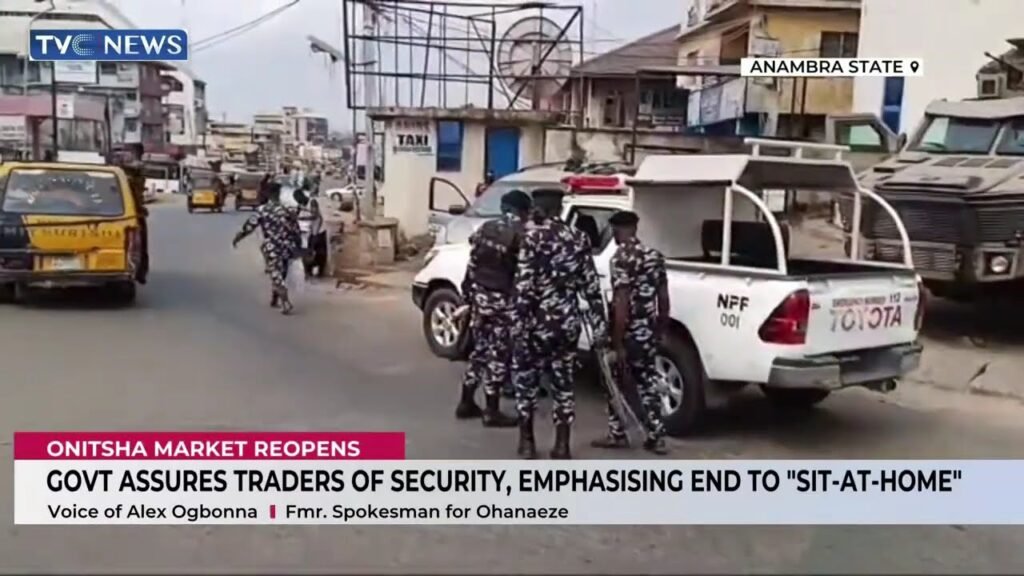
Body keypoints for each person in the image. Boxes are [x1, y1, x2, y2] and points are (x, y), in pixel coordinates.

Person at [511, 188, 607, 459]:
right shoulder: (579, 238)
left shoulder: (532, 238)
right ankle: (562, 445)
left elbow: (524, 286)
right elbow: (591, 286)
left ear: (539, 209)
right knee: (563, 383)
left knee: (526, 382)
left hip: (535, 323)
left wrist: (517, 325)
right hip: (566, 323)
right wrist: (599, 325)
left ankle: (527, 442)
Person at [592, 210, 671, 455]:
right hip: (648, 331)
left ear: (617, 231)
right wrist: (661, 328)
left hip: (628, 332)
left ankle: (617, 434)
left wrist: (617, 342)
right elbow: (663, 297)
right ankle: (657, 436)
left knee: (615, 383)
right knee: (649, 382)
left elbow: (622, 302)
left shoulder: (621, 258)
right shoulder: (654, 256)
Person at [455, 189, 532, 428]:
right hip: (503, 302)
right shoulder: (522, 235)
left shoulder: (485, 228)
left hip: (480, 299)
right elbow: (523, 276)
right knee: (499, 356)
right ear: (523, 210)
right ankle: (491, 410)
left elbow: (472, 264)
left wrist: (468, 297)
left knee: (479, 352)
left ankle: (466, 402)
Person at [232, 182, 302, 315]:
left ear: (267, 194)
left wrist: (238, 238)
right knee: (281, 273)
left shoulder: (262, 210)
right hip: (287, 246)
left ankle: (285, 302)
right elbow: (296, 230)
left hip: (272, 247)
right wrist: (299, 247)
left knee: (275, 273)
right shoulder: (287, 210)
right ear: (279, 193)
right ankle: (275, 298)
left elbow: (249, 227)